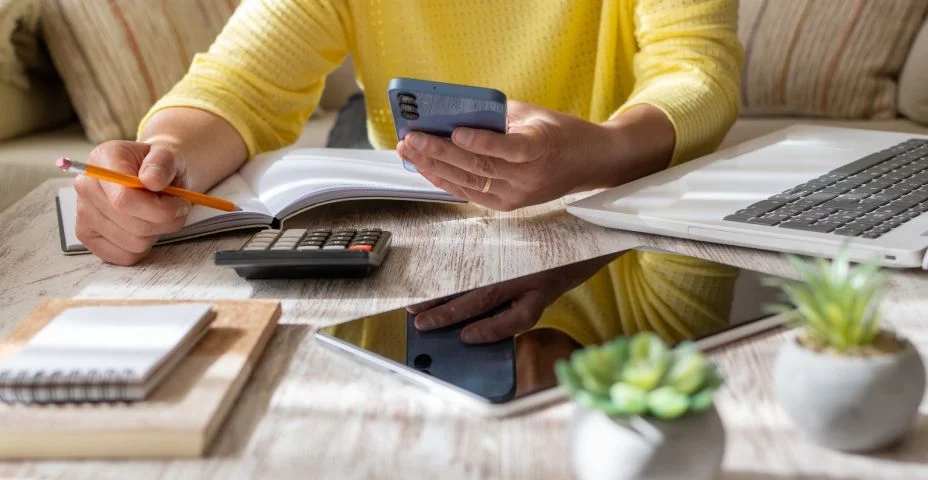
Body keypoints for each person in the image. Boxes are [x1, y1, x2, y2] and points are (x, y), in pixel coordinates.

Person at [72, 0, 743, 343]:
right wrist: (158, 157)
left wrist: (598, 149)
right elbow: (238, 85)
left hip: (610, 224)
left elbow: (697, 70)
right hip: (413, 213)